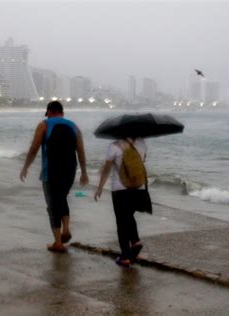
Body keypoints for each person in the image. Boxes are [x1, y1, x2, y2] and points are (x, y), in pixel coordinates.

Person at [20, 101, 89, 253]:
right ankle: (66, 229)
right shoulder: (74, 127)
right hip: (70, 171)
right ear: (62, 113)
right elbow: (81, 152)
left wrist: (26, 166)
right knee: (62, 198)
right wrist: (84, 172)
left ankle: (58, 243)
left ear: (49, 112)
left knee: (52, 204)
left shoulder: (44, 125)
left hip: (51, 171)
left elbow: (34, 148)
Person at [94, 137, 152, 267]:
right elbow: (142, 161)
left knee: (121, 221)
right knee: (128, 216)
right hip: (138, 188)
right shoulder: (141, 144)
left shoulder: (114, 146)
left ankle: (125, 256)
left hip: (120, 189)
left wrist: (100, 187)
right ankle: (135, 242)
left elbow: (107, 169)